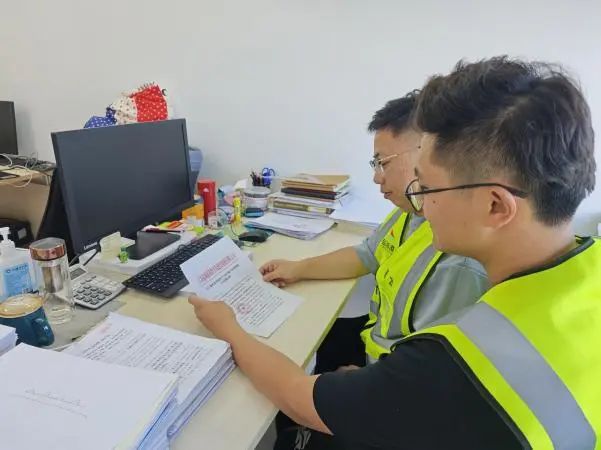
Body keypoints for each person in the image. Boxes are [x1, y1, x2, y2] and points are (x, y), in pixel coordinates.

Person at [190, 56, 600, 449]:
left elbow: (300, 398)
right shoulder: (587, 265)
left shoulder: (457, 359)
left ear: (495, 206)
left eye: (428, 187)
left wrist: (229, 329)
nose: (418, 203)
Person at [260, 92, 488, 374]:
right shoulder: (411, 210)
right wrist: (298, 268)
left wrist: (363, 381)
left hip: (394, 374)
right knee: (297, 337)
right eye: (375, 164)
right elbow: (367, 253)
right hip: (377, 341)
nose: (377, 177)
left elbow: (430, 370)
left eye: (384, 162)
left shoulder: (459, 260)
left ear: (426, 153)